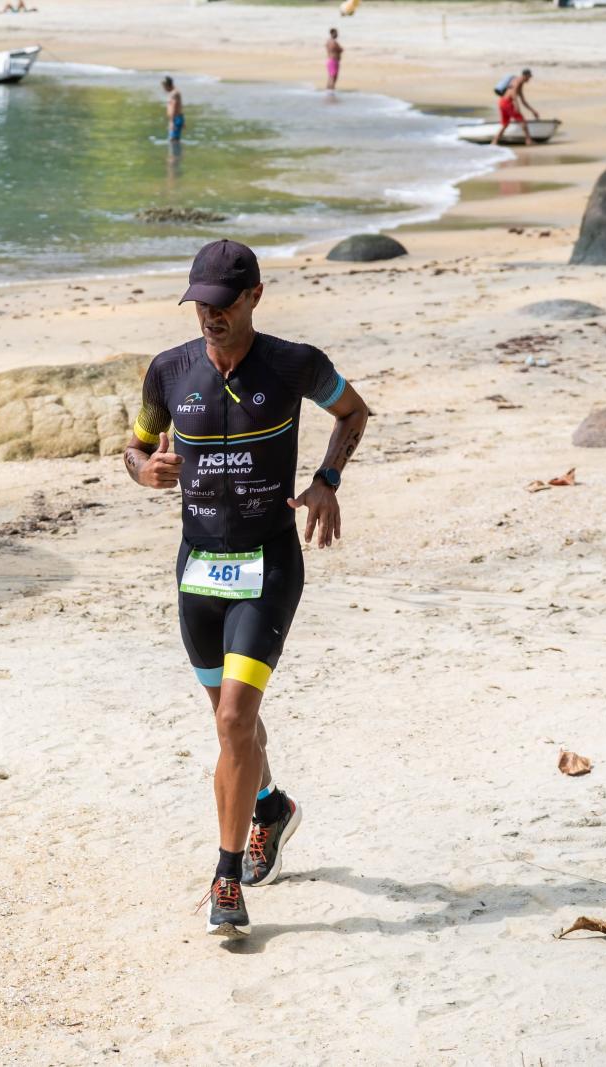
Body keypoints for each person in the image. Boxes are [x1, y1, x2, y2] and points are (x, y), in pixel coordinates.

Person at [123, 239, 369, 939]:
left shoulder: (295, 364)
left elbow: (353, 412)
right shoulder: (169, 371)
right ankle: (271, 806)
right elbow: (135, 446)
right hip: (197, 570)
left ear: (255, 295)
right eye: (200, 303)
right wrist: (143, 471)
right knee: (230, 723)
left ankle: (226, 879)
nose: (211, 315)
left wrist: (327, 480)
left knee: (234, 720)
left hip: (269, 564)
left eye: (223, 303)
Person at [494, 68, 538, 147]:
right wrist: (516, 106)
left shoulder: (518, 82)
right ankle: (528, 141)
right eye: (529, 77)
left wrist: (533, 111)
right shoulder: (518, 81)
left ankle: (494, 142)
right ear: (525, 76)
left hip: (502, 102)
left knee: (505, 124)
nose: (529, 79)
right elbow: (513, 93)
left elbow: (523, 101)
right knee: (522, 120)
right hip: (507, 103)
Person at [161, 76, 184, 142]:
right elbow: (180, 107)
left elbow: (174, 106)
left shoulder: (174, 93)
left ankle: (175, 150)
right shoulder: (175, 92)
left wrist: (172, 122)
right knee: (175, 139)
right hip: (177, 118)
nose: (164, 89)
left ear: (167, 85)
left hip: (175, 119)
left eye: (164, 87)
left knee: (173, 140)